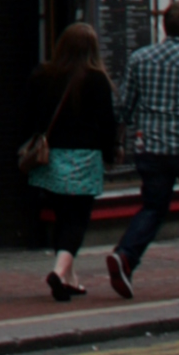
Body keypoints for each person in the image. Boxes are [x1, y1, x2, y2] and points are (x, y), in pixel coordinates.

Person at [105, 0, 179, 298]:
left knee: (153, 207)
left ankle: (126, 255)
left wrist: (119, 142)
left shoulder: (140, 58)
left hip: (152, 149)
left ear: (164, 26)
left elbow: (124, 107)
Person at [22, 21, 118, 298]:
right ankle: (59, 270)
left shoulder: (43, 75)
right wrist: (111, 154)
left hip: (51, 157)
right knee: (78, 219)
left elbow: (27, 116)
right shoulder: (96, 79)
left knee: (62, 216)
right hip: (84, 157)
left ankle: (69, 280)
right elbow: (106, 123)